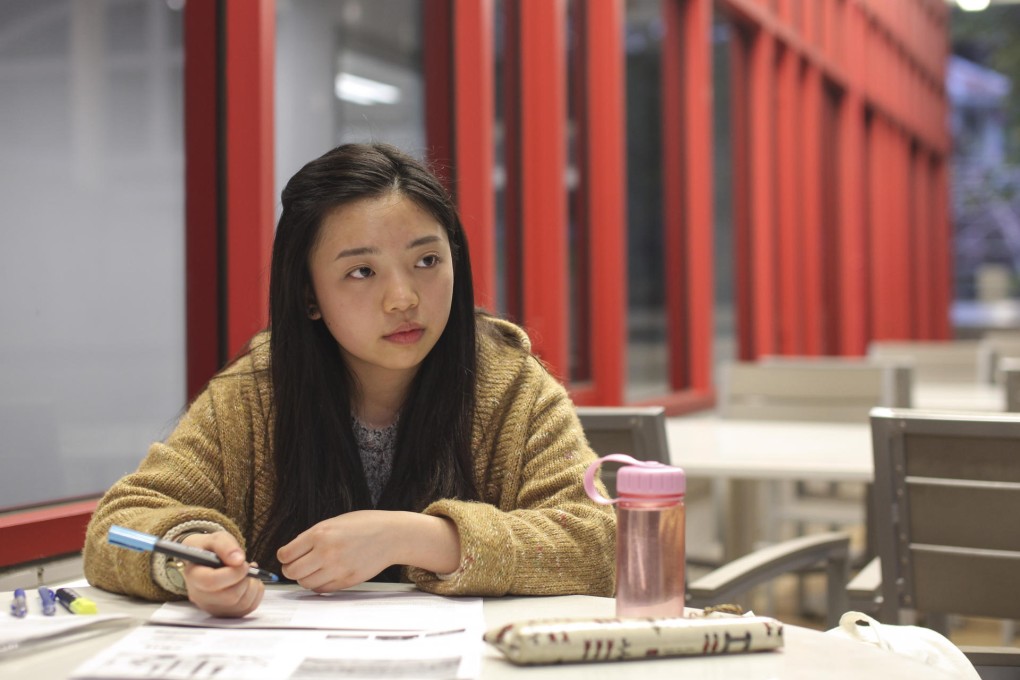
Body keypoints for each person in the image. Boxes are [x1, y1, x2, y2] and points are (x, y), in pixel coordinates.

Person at [83, 142, 615, 617]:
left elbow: (600, 546)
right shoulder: (257, 393)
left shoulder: (511, 386)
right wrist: (191, 559)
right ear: (309, 296)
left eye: (427, 260)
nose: (403, 298)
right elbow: (118, 528)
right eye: (362, 271)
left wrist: (419, 537)